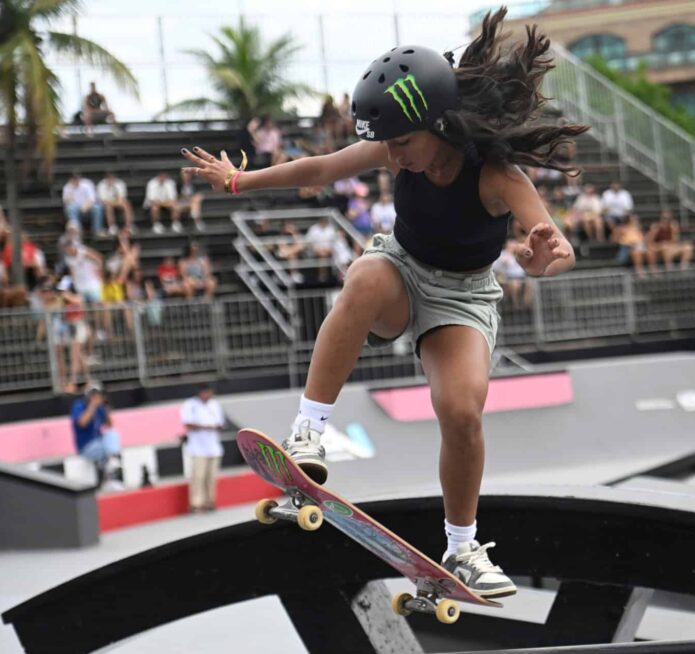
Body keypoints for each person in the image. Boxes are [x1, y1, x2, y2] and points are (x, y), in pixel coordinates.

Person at [182, 7, 586, 599]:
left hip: (463, 300)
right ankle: (308, 434)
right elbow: (319, 169)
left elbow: (559, 247)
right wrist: (241, 182)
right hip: (400, 271)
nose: (393, 160)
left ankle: (462, 548)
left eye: (402, 145)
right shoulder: (393, 147)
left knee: (462, 411)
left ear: (441, 124)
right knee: (366, 275)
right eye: (388, 148)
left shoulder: (498, 175)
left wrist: (545, 256)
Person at [181, 384, 226, 512]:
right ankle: (196, 503)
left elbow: (220, 424)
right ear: (200, 393)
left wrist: (209, 427)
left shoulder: (214, 404)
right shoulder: (190, 405)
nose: (208, 395)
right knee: (198, 476)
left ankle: (209, 501)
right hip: (198, 447)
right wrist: (208, 427)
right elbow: (188, 424)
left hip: (213, 446)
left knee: (211, 477)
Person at [70, 383, 123, 489]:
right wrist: (92, 406)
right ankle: (112, 463)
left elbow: (109, 425)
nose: (97, 398)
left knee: (112, 434)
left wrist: (106, 408)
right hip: (86, 446)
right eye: (94, 395)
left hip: (99, 445)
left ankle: (110, 474)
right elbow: (82, 423)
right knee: (107, 449)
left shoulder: (100, 408)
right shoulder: (79, 406)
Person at [62, 171, 105, 237]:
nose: (76, 180)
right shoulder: (67, 187)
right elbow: (66, 202)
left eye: (77, 178)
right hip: (75, 208)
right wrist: (69, 197)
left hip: (88, 206)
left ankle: (97, 231)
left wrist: (85, 206)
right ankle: (78, 232)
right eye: (74, 179)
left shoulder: (87, 184)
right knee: (70, 209)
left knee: (97, 208)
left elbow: (92, 199)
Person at [97, 171, 135, 235]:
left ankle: (128, 226)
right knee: (108, 206)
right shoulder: (101, 185)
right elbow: (103, 200)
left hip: (117, 202)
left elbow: (122, 198)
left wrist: (115, 201)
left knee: (126, 204)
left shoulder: (120, 183)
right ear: (106, 178)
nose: (111, 179)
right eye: (109, 178)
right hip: (106, 204)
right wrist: (113, 202)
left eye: (112, 177)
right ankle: (112, 227)